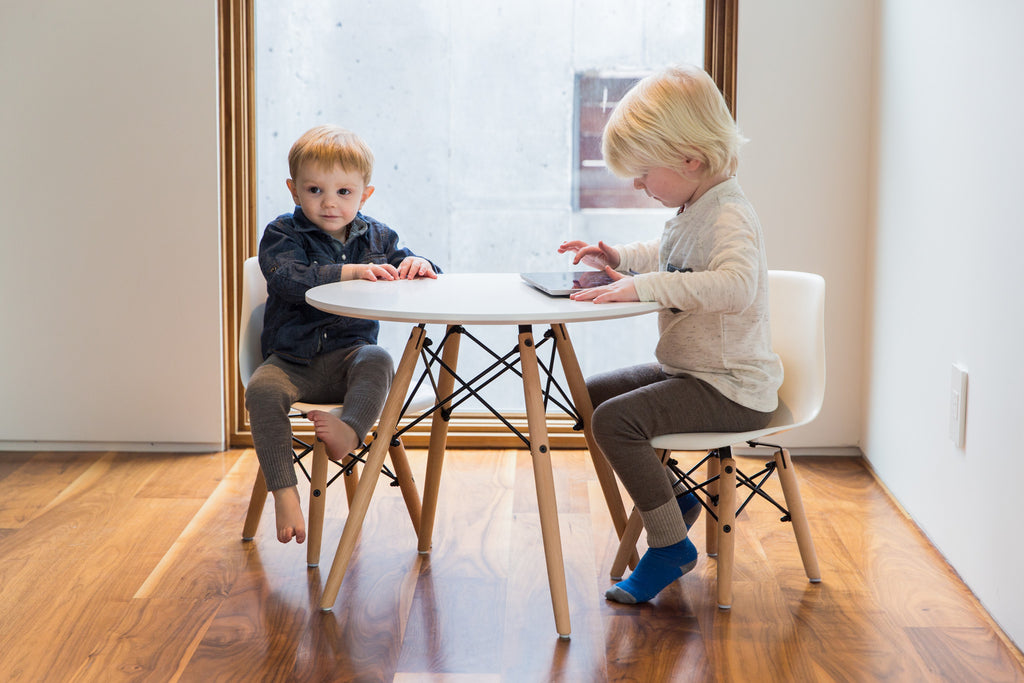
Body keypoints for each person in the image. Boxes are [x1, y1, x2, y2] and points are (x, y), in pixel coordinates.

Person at [558, 65, 783, 604]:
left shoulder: (729, 214)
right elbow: (670, 258)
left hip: (732, 389)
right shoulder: (693, 207)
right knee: (593, 396)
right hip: (693, 372)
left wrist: (643, 289)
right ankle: (675, 502)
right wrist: (619, 259)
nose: (638, 185)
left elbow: (734, 286)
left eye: (643, 172)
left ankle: (669, 547)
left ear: (691, 159)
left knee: (616, 421)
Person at [246, 124, 440, 545]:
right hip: (291, 360)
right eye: (315, 190)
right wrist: (348, 272)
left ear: (364, 194)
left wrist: (420, 264)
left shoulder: (379, 237)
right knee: (262, 390)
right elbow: (287, 279)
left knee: (379, 359)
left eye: (344, 193)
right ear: (294, 190)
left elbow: (417, 269)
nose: (329, 203)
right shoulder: (283, 234)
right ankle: (284, 492)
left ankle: (350, 432)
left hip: (349, 357)